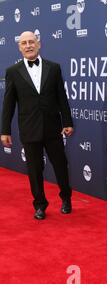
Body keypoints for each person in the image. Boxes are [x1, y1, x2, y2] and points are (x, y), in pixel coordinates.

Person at [1, 31, 74, 220]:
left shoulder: (54, 68)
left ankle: (66, 198)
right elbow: (8, 103)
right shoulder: (13, 72)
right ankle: (40, 205)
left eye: (31, 42)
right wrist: (4, 130)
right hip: (29, 128)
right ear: (19, 47)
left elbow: (61, 97)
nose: (28, 46)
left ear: (39, 44)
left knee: (60, 165)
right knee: (34, 170)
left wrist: (67, 121)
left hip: (52, 127)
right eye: (24, 43)